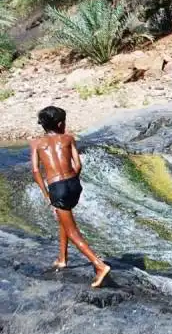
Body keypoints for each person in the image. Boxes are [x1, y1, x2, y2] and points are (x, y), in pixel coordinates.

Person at [30, 106, 111, 288]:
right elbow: (78, 164)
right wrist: (72, 181)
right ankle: (62, 258)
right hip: (73, 184)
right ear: (60, 124)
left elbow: (36, 171)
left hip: (57, 187)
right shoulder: (68, 138)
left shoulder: (36, 143)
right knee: (63, 219)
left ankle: (99, 265)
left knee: (73, 231)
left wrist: (47, 194)